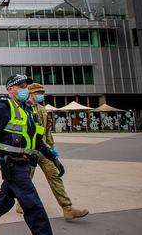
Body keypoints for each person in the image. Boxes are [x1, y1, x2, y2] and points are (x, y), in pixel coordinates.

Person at [0, 74, 65, 235]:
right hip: (13, 165)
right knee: (34, 207)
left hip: (25, 163)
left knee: (4, 202)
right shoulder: (4, 107)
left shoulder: (28, 109)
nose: (25, 89)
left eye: (26, 87)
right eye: (21, 86)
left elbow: (37, 140)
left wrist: (52, 157)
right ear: (10, 89)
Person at [14, 83, 89, 221]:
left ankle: (67, 208)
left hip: (43, 150)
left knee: (54, 177)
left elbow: (47, 130)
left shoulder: (43, 109)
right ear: (31, 93)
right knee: (26, 179)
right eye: (39, 92)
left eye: (42, 92)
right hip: (29, 150)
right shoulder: (22, 108)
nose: (42, 95)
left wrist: (51, 148)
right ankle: (20, 204)